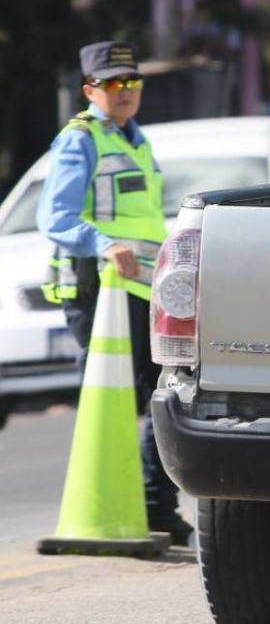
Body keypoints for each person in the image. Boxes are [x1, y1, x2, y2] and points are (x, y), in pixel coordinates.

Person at [36, 41, 191, 545]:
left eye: (132, 82)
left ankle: (151, 506)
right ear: (89, 90)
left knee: (155, 394)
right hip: (98, 287)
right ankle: (134, 508)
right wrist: (105, 244)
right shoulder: (80, 139)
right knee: (121, 401)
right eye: (113, 84)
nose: (125, 92)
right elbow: (55, 218)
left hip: (138, 287)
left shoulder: (134, 139)